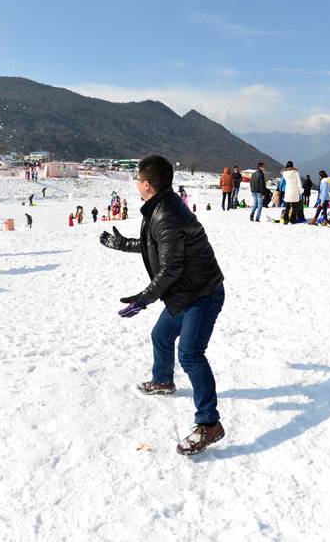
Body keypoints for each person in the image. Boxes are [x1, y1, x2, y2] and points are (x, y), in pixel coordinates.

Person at [99, 155, 226, 455]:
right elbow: (155, 246)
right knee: (161, 335)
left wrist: (143, 299)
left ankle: (209, 424)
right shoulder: (160, 206)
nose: (136, 183)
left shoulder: (166, 212)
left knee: (191, 355)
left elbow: (171, 268)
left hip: (202, 294)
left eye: (137, 179)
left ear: (146, 184)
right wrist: (123, 243)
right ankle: (163, 381)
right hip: (185, 293)